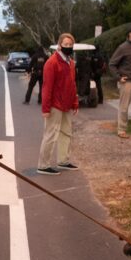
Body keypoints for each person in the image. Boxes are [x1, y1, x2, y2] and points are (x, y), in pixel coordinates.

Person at [36, 33, 79, 175]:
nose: (68, 47)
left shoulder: (70, 62)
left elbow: (72, 84)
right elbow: (47, 87)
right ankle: (43, 165)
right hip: (55, 104)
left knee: (66, 133)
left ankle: (63, 160)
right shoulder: (52, 62)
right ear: (59, 45)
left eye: (70, 45)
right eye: (65, 44)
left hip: (67, 104)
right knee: (51, 134)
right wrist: (45, 108)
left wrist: (75, 102)